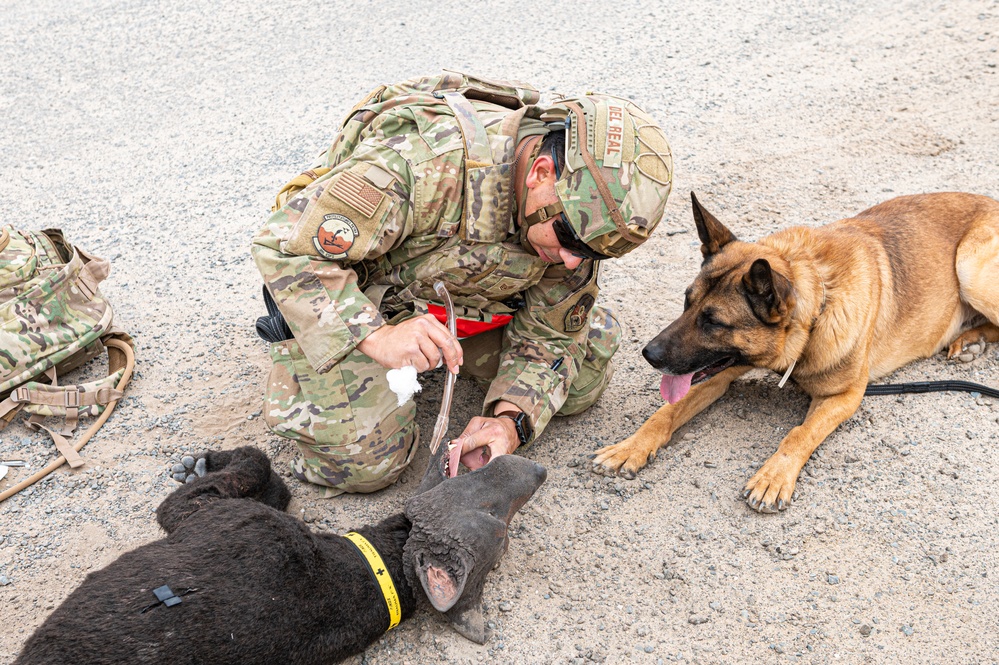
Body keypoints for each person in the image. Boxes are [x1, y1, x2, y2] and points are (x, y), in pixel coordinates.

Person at [251, 71, 672, 496]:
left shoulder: (576, 219)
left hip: (461, 299)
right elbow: (284, 247)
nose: (571, 261)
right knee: (367, 465)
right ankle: (303, 336)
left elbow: (549, 338)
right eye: (569, 239)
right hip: (368, 296)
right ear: (541, 173)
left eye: (594, 254)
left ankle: (428, 352)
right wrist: (377, 336)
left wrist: (508, 423)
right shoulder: (424, 163)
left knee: (582, 381)